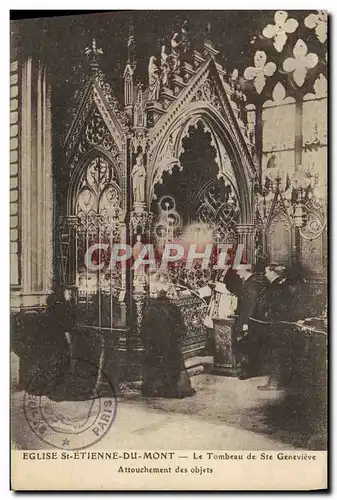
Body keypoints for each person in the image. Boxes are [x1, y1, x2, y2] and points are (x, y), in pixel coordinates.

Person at [141, 283, 195, 399]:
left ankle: (154, 388)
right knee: (173, 364)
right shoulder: (173, 309)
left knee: (153, 364)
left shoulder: (150, 310)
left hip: (155, 346)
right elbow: (182, 330)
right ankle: (171, 388)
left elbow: (144, 330)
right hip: (171, 346)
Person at [257, 263, 293, 391]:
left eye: (267, 272)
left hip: (275, 324)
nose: (265, 274)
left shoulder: (275, 286)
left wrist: (267, 315)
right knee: (279, 352)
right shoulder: (282, 285)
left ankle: (274, 383)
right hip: (280, 324)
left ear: (273, 272)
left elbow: (272, 305)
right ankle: (278, 381)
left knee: (275, 352)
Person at [234, 263, 267, 379]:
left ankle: (249, 371)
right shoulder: (250, 282)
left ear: (244, 270)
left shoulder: (251, 284)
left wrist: (246, 323)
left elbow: (251, 305)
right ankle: (251, 370)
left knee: (248, 346)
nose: (237, 273)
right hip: (250, 318)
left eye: (238, 271)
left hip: (250, 319)